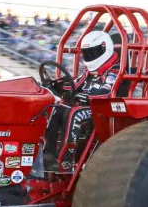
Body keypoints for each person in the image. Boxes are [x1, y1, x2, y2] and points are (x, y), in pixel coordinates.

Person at [41, 31, 125, 172]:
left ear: (105, 49)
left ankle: (65, 160)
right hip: (87, 106)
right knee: (55, 107)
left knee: (75, 113)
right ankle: (48, 152)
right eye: (87, 52)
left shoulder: (114, 70)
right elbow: (76, 84)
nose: (90, 56)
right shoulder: (89, 71)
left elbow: (107, 91)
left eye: (93, 52)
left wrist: (87, 95)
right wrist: (57, 85)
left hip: (103, 109)